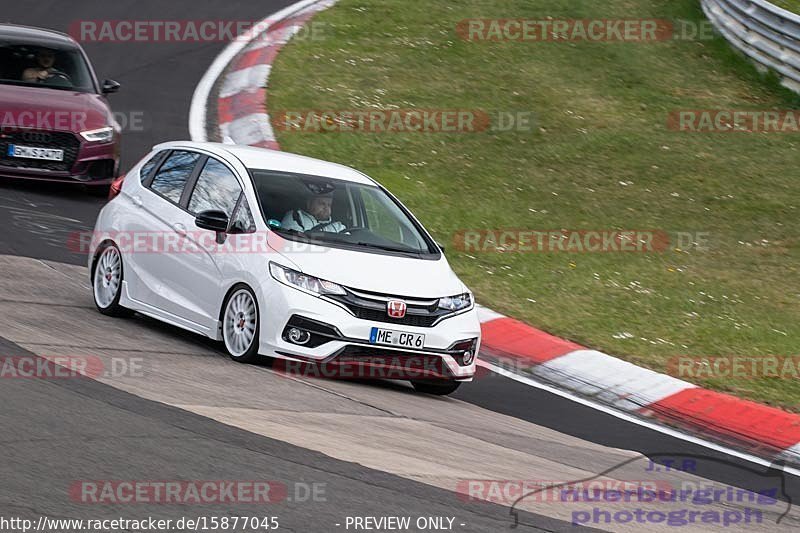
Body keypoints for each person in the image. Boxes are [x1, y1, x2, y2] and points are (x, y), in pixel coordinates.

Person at [281, 189, 346, 233]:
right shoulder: (297, 217)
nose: (326, 208)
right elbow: (293, 242)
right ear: (309, 203)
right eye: (322, 204)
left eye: (329, 205)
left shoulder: (337, 226)